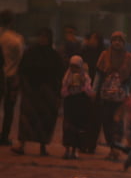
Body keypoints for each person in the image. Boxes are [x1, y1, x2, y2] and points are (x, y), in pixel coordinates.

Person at [11, 27, 64, 157]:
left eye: (45, 37)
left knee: (45, 120)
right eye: (41, 36)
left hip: (48, 93)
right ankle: (21, 145)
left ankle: (43, 147)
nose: (42, 39)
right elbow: (22, 69)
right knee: (26, 120)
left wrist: (58, 93)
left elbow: (59, 74)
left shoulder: (54, 55)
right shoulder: (31, 53)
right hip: (31, 92)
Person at [93, 31, 131, 160]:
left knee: (118, 124)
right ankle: (112, 148)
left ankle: (116, 149)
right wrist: (94, 90)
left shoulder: (128, 58)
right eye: (115, 40)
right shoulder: (104, 55)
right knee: (106, 122)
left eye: (120, 40)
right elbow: (99, 75)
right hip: (106, 96)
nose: (117, 43)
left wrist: (129, 93)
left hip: (120, 98)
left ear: (124, 43)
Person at [60, 54, 94, 159]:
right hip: (70, 104)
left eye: (76, 67)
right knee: (68, 127)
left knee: (78, 128)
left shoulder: (85, 77)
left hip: (80, 105)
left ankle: (74, 150)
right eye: (72, 66)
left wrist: (83, 84)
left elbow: (90, 92)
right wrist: (69, 87)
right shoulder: (67, 76)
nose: (74, 69)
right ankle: (67, 150)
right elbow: (63, 92)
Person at [0, 9, 24, 146]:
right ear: (12, 21)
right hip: (11, 76)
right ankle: (4, 136)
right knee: (9, 109)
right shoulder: (16, 39)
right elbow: (20, 59)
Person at [78, 31, 104, 153]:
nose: (91, 41)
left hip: (97, 92)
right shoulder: (84, 53)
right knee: (83, 118)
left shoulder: (102, 55)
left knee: (95, 119)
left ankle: (91, 144)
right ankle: (82, 144)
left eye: (94, 39)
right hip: (84, 90)